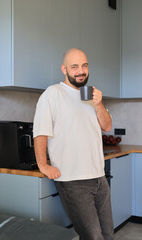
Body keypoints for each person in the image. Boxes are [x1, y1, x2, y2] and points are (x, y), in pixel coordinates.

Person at [33, 48, 114, 240]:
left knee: (108, 234)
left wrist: (99, 105)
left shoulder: (92, 96)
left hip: (99, 177)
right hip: (73, 180)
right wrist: (43, 164)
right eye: (74, 66)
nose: (80, 71)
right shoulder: (53, 94)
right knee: (92, 236)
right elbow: (40, 133)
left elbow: (107, 126)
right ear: (64, 69)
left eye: (84, 66)